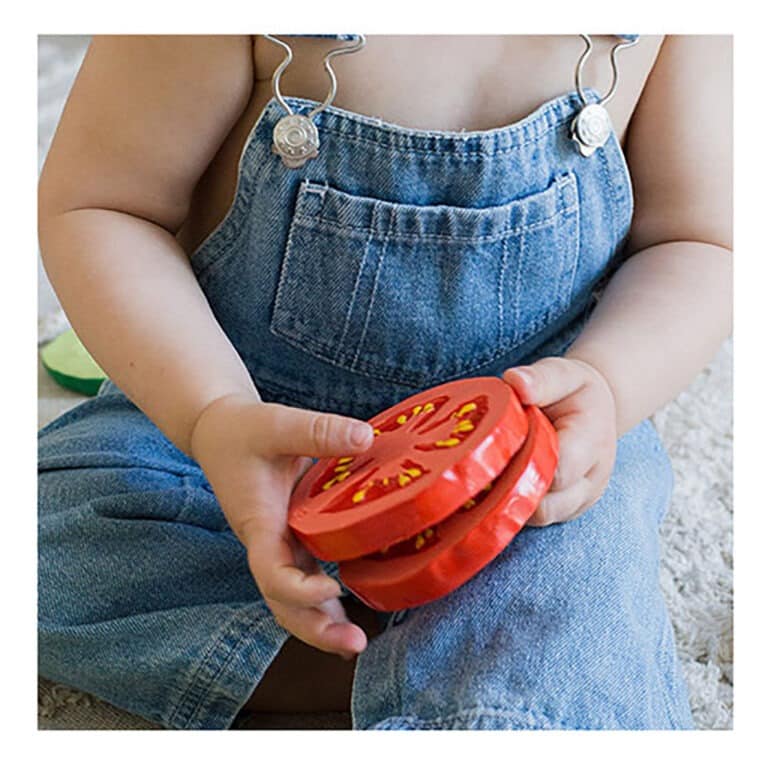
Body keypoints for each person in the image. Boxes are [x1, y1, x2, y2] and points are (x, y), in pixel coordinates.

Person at [37, 33, 732, 730]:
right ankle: (419, 661)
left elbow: (700, 239)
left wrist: (604, 380)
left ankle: (473, 674)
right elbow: (107, 206)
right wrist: (210, 412)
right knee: (49, 548)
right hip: (247, 414)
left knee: (578, 560)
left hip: (527, 459)